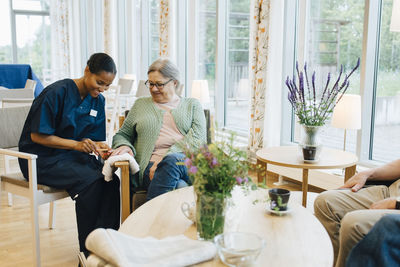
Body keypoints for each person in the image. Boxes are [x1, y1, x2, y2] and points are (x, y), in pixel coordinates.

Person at [18, 53, 120, 256]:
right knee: (91, 183)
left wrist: (101, 148)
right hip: (41, 159)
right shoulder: (57, 92)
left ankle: (108, 246)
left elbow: (95, 138)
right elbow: (38, 136)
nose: (102, 89)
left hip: (72, 158)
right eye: (99, 82)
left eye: (107, 85)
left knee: (110, 180)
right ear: (87, 71)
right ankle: (88, 253)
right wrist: (76, 145)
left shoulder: (97, 101)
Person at [111, 58, 206, 201]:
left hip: (187, 164)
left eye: (159, 84)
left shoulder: (192, 105)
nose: (153, 89)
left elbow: (198, 139)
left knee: (171, 161)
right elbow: (122, 135)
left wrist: (164, 159)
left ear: (174, 83)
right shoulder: (140, 105)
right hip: (150, 168)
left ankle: (148, 221)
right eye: (150, 83)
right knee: (180, 186)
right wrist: (124, 145)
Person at [314, 159, 400, 267]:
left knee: (353, 223)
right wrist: (369, 173)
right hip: (391, 191)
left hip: (397, 205)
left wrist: (396, 203)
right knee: (325, 201)